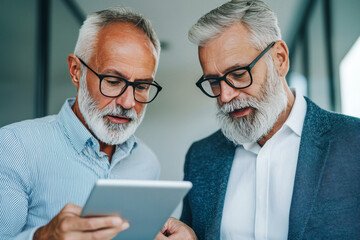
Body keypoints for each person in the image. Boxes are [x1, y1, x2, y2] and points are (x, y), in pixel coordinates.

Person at [161, 0, 360, 239]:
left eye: (238, 74)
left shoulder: (353, 142)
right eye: (214, 82)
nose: (225, 95)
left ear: (279, 59)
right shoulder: (200, 157)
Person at [0, 7, 164, 240]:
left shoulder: (147, 163)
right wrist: (44, 237)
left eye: (141, 87)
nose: (128, 102)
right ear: (76, 71)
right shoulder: (16, 147)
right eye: (113, 80)